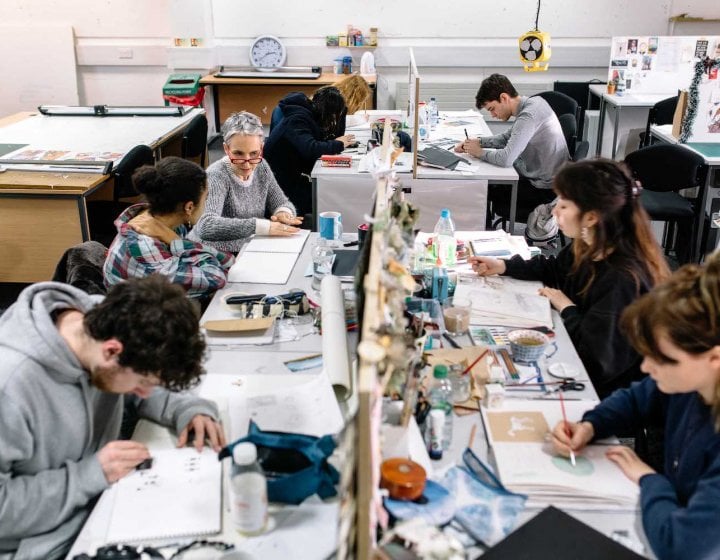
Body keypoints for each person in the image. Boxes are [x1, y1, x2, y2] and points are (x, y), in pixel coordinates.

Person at [0, 276, 226, 559]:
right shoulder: (10, 384)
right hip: (45, 540)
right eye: (143, 382)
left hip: (109, 500)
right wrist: (90, 475)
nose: (144, 394)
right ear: (111, 352)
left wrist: (188, 409)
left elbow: (138, 375)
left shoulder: (103, 322)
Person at [552, 253, 720, 560]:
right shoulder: (689, 384)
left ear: (714, 359)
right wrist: (592, 425)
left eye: (661, 358)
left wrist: (649, 479)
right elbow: (635, 398)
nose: (645, 367)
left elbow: (681, 546)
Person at [470, 159, 670, 397]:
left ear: (591, 217)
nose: (554, 211)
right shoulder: (591, 245)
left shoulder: (622, 279)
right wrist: (504, 265)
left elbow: (594, 359)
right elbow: (554, 269)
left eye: (564, 205)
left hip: (605, 391)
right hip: (577, 352)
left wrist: (566, 307)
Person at [104, 157, 234, 299]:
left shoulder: (165, 222)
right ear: (189, 207)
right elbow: (216, 279)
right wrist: (177, 241)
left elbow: (229, 261)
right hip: (138, 317)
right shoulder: (144, 246)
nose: (206, 204)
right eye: (205, 198)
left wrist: (173, 239)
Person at [454, 73, 569, 222]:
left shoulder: (529, 115)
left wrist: (479, 152)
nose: (493, 115)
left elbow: (506, 159)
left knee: (482, 188)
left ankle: (484, 234)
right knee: (487, 185)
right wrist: (478, 142)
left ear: (504, 98)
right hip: (547, 179)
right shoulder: (533, 103)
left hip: (544, 190)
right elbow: (506, 138)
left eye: (492, 108)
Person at [189, 111, 302, 253]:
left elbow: (282, 202)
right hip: (214, 253)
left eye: (254, 153)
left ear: (261, 148)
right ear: (226, 149)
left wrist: (283, 213)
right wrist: (261, 226)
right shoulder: (216, 175)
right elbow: (206, 225)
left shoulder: (261, 166)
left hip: (250, 247)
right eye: (238, 154)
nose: (247, 164)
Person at [264, 86, 356, 216]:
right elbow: (311, 148)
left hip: (292, 173)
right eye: (334, 116)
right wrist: (338, 144)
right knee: (328, 197)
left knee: (330, 192)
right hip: (279, 183)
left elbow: (330, 136)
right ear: (327, 112)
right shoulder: (298, 119)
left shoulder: (310, 115)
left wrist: (343, 112)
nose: (333, 121)